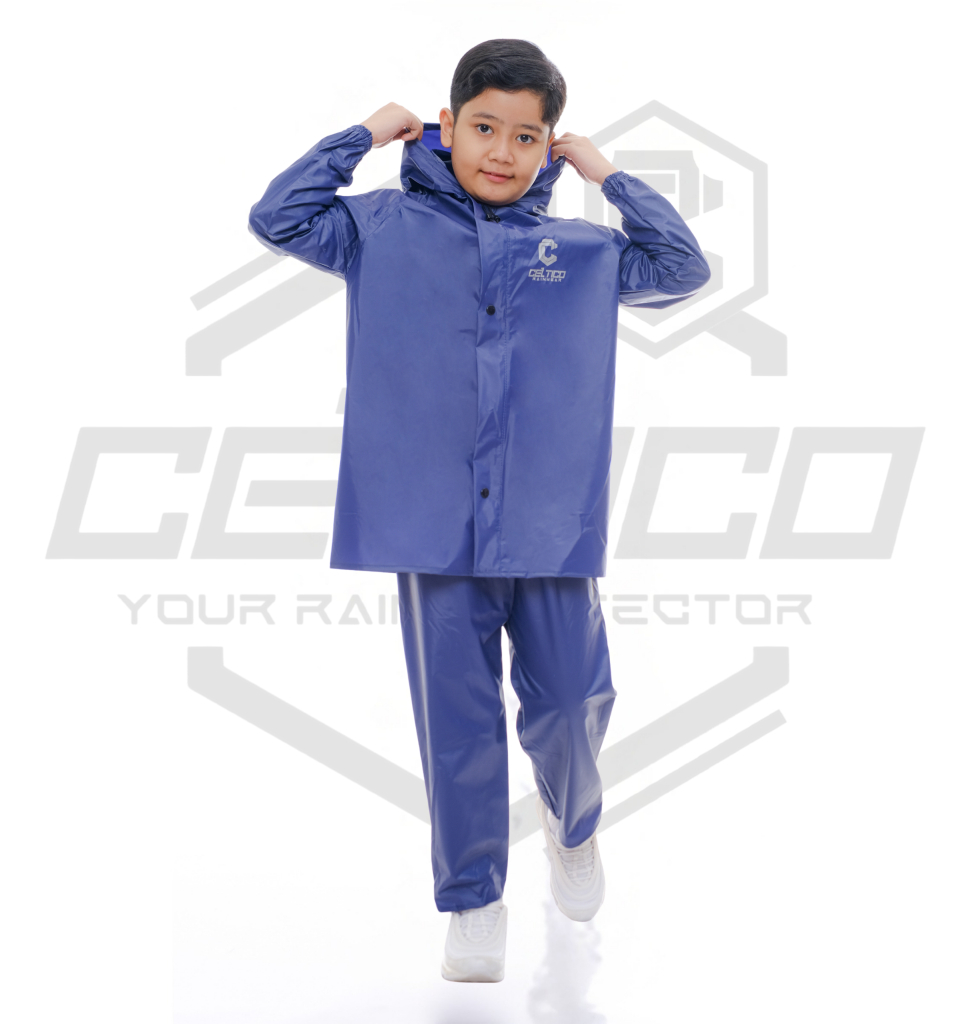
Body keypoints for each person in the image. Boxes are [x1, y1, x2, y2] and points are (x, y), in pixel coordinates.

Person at [248, 38, 710, 983]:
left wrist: (608, 176)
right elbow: (278, 216)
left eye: (527, 137)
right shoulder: (377, 230)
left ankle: (572, 826)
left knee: (573, 700)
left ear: (549, 147)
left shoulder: (582, 252)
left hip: (549, 521)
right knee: (458, 724)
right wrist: (363, 135)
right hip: (432, 525)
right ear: (448, 125)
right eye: (485, 128)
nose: (502, 152)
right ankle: (473, 902)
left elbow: (681, 266)